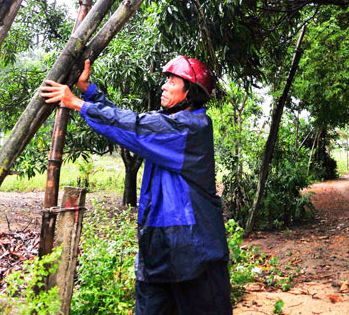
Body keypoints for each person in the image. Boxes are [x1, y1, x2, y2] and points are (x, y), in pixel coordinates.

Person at [41, 55, 232, 315]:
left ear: (191, 93)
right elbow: (130, 123)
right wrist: (89, 92)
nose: (164, 86)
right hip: (158, 251)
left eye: (173, 82)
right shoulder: (168, 126)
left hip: (194, 253)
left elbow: (136, 127)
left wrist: (78, 103)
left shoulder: (191, 128)